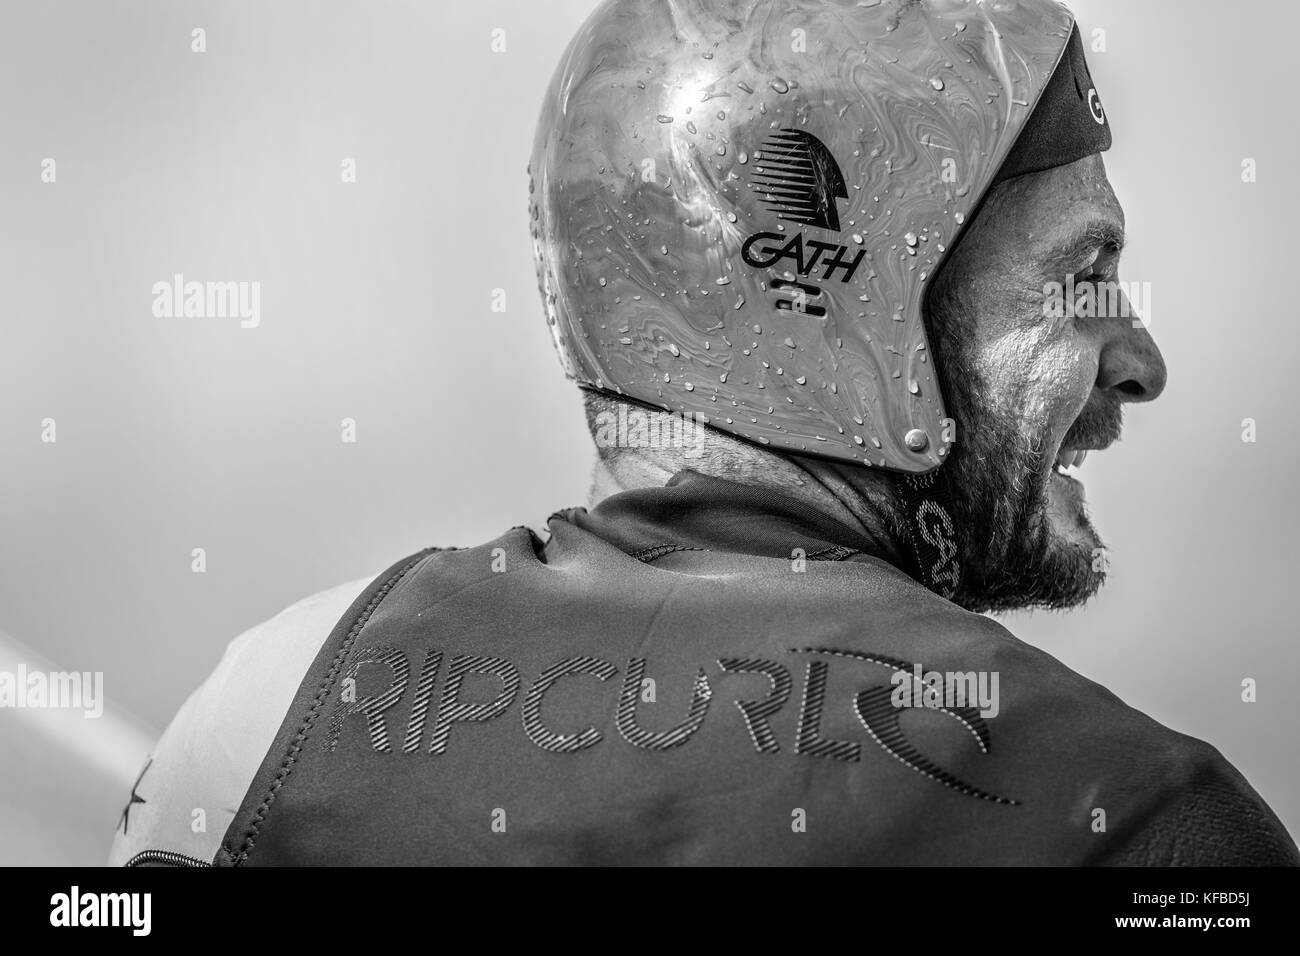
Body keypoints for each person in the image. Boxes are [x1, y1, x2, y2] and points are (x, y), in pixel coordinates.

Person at [111, 0, 1298, 866]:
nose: (1139, 362)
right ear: (850, 313)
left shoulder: (271, 707)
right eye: (1081, 274)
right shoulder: (1142, 820)